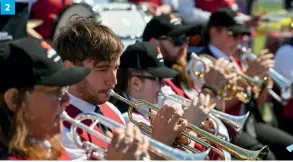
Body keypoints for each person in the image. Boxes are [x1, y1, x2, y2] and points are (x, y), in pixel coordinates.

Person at [53, 16, 185, 160]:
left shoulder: (111, 110)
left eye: (115, 68)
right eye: (102, 69)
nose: (113, 81)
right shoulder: (60, 128)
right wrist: (160, 144)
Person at [195, 7, 293, 160]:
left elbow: (255, 103)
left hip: (249, 122)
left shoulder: (235, 60)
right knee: (267, 157)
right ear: (214, 31)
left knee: (291, 146)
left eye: (241, 35)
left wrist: (263, 85)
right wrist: (249, 75)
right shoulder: (204, 62)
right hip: (226, 126)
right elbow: (215, 106)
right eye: (233, 35)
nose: (239, 40)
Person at [141, 14, 237, 160]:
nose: (185, 46)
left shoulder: (185, 74)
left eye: (187, 40)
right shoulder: (154, 86)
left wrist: (218, 90)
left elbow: (218, 119)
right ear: (155, 44)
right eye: (177, 40)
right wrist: (210, 89)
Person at [0, 37, 90, 160]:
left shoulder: (48, 146)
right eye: (57, 92)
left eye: (64, 89)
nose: (67, 100)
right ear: (14, 99)